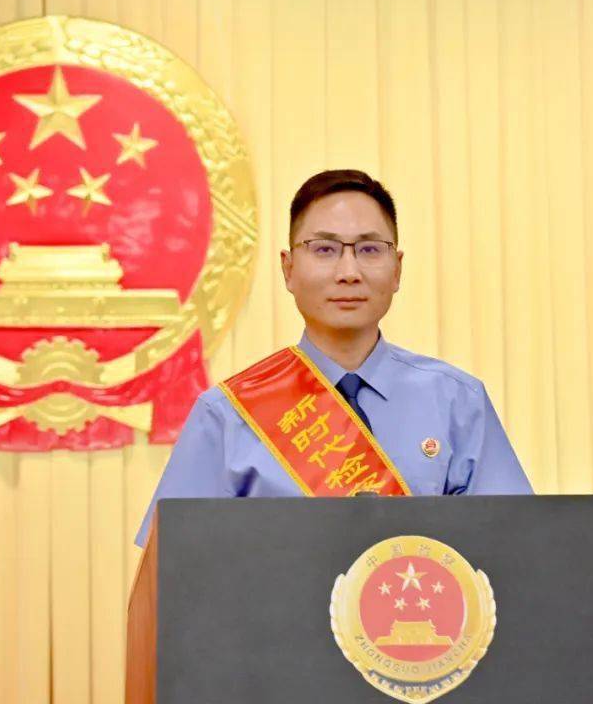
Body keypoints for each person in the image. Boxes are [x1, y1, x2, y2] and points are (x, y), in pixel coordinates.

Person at [135, 169, 532, 545]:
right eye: (324, 249)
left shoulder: (457, 402)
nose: (348, 272)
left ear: (397, 269)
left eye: (369, 249)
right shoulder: (227, 415)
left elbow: (512, 547)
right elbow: (174, 566)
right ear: (288, 269)